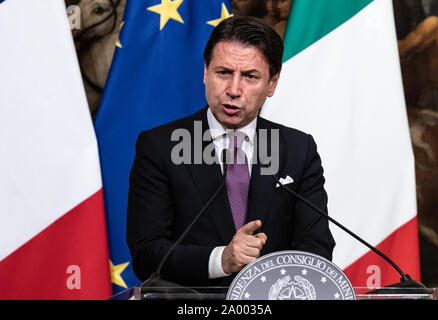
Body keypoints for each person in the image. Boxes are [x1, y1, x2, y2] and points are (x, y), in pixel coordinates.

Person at [127, 16, 335, 287]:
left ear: (272, 84)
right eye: (223, 72)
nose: (234, 90)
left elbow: (316, 250)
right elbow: (146, 254)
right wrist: (221, 259)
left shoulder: (297, 149)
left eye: (250, 76)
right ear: (205, 73)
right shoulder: (159, 147)